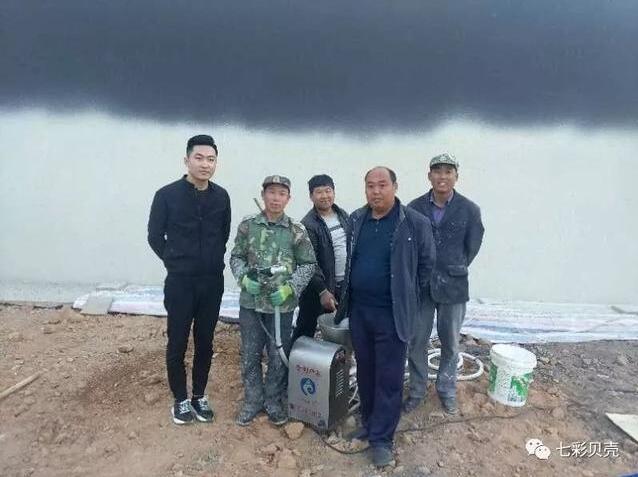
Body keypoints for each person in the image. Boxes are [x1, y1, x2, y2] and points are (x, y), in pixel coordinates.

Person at [336, 166, 435, 467]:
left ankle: (382, 440)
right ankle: (369, 422)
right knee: (366, 372)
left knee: (389, 377)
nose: (376, 191)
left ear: (395, 186)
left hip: (392, 315)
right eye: (370, 186)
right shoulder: (357, 219)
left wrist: (406, 295)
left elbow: (426, 266)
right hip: (360, 312)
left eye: (382, 185)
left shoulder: (414, 222)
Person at [147, 135, 231, 425]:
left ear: (216, 163)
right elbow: (154, 236)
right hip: (180, 283)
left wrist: (210, 259)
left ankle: (199, 396)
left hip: (212, 282)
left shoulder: (221, 197)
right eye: (199, 158)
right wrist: (175, 261)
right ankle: (180, 399)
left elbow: (223, 234)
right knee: (178, 341)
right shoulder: (166, 195)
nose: (205, 164)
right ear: (187, 160)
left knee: (205, 341)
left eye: (211, 159)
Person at [230, 175, 316, 426]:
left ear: (288, 199)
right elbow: (236, 257)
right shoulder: (248, 225)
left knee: (278, 355)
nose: (276, 198)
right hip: (251, 304)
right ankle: (252, 401)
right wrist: (244, 279)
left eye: (281, 193)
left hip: (281, 306)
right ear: (263, 195)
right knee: (250, 354)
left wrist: (291, 287)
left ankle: (273, 401)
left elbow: (308, 264)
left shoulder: (295, 230)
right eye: (271, 192)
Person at [404, 153, 485, 415]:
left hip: (454, 285)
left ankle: (447, 390)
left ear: (456, 177)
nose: (442, 176)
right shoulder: (413, 208)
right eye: (437, 171)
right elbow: (407, 244)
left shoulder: (470, 210)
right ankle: (417, 390)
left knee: (450, 342)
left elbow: (473, 245)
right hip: (422, 286)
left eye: (448, 172)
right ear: (429, 176)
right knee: (417, 340)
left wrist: (455, 266)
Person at [292, 174, 349, 344]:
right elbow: (309, 261)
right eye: (319, 192)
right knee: (305, 328)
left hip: (342, 284)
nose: (324, 196)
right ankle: (293, 358)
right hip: (317, 288)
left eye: (328, 191)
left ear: (334, 192)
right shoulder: (308, 224)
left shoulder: (343, 216)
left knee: (339, 327)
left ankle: (338, 359)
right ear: (311, 196)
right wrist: (322, 290)